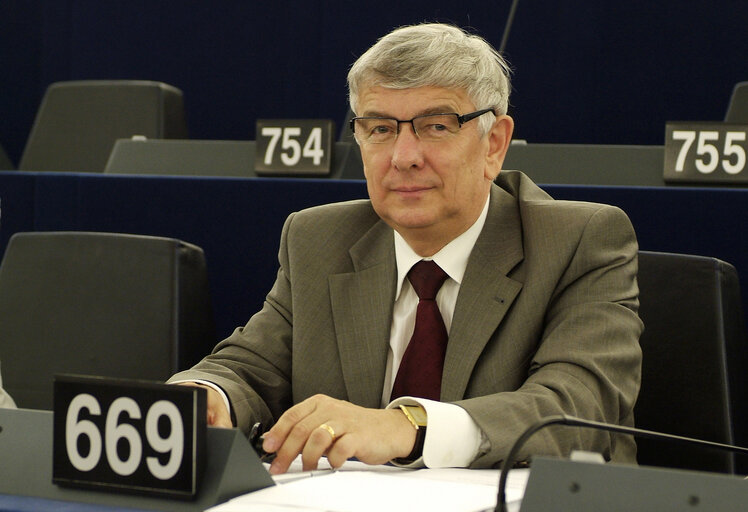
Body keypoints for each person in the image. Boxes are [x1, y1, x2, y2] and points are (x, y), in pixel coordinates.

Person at [169, 22, 642, 474]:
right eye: (380, 129)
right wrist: (207, 395)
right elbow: (251, 367)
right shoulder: (318, 240)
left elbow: (576, 406)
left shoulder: (580, 240)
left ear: (494, 144)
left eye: (437, 126)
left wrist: (405, 426)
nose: (404, 156)